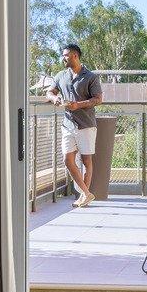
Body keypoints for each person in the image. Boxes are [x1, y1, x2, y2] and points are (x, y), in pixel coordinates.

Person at [46, 44, 104, 207]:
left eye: (66, 55)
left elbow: (98, 99)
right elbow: (50, 92)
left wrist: (78, 105)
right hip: (68, 125)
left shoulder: (91, 77)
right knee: (68, 159)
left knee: (86, 161)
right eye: (63, 55)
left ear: (75, 56)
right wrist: (54, 99)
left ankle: (83, 196)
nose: (63, 58)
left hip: (86, 125)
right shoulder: (60, 75)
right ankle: (86, 193)